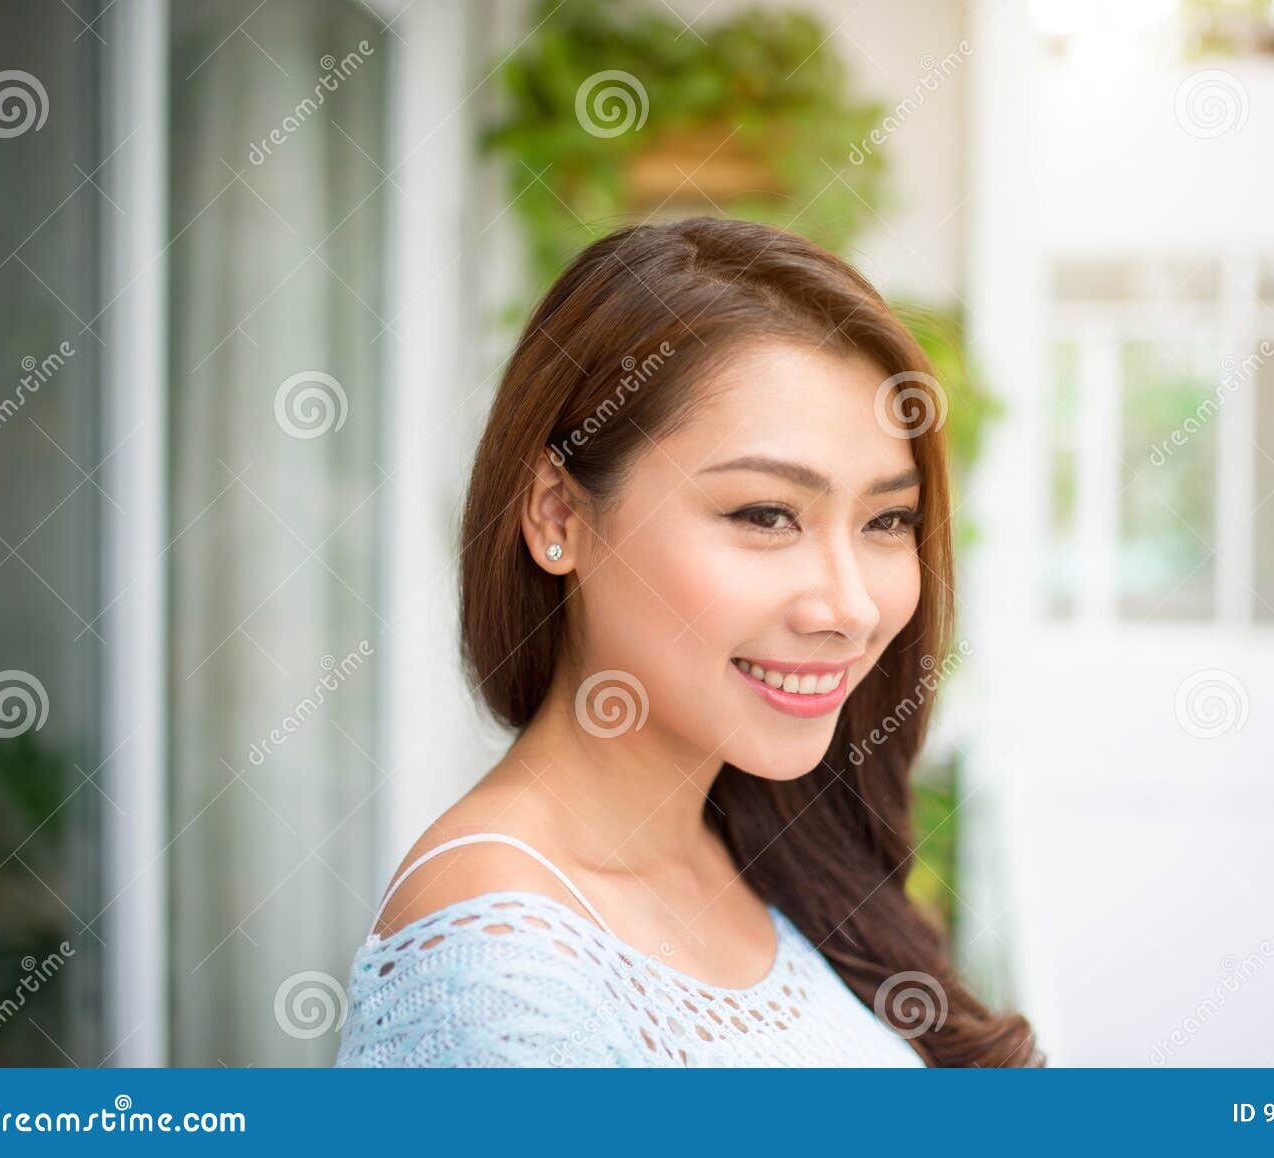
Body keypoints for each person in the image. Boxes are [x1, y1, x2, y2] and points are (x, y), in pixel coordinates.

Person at [335, 217, 1041, 1067]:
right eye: (765, 515)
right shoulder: (502, 977)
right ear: (559, 514)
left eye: (888, 519)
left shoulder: (766, 847)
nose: (850, 607)